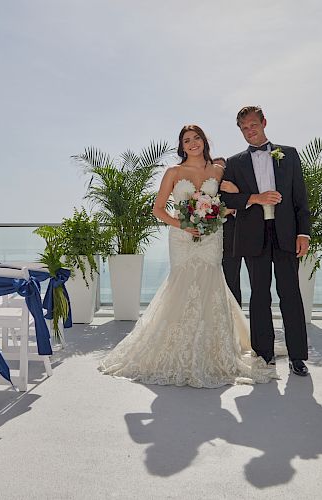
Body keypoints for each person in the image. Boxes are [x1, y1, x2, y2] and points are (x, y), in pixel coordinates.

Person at [99, 125, 278, 388]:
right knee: (181, 286)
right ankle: (175, 348)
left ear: (204, 141)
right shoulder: (174, 172)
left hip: (211, 237)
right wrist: (183, 224)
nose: (192, 143)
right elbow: (158, 209)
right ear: (181, 146)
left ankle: (213, 350)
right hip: (182, 238)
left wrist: (217, 213)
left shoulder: (219, 171)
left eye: (196, 138)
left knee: (210, 284)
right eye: (187, 140)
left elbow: (229, 204)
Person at [220, 106, 310, 376]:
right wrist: (254, 198)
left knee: (290, 294)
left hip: (285, 234)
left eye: (253, 125)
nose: (250, 131)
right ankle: (264, 354)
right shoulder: (234, 163)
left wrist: (303, 233)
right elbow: (225, 200)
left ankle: (297, 357)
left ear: (264, 123)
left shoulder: (289, 154)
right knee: (259, 296)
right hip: (252, 236)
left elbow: (300, 198)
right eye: (244, 128)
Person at [213, 156, 243, 306]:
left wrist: (234, 205)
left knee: (232, 280)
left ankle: (235, 319)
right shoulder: (206, 190)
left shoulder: (234, 187)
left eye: (222, 169)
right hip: (209, 242)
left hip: (232, 242)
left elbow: (247, 207)